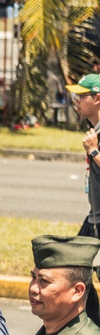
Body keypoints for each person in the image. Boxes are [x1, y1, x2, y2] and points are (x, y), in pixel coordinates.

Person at [67, 74, 100, 239]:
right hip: (94, 217)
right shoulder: (95, 130)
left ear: (97, 99)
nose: (77, 101)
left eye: (81, 96)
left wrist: (94, 152)